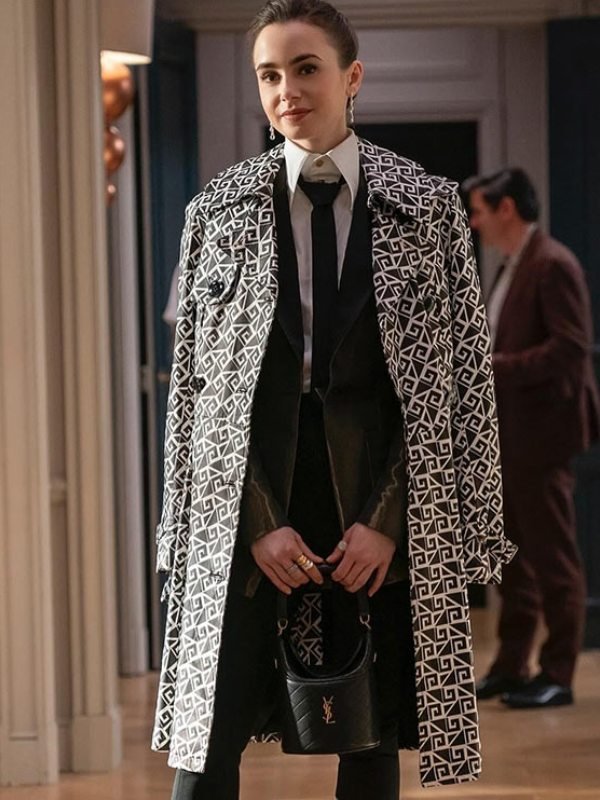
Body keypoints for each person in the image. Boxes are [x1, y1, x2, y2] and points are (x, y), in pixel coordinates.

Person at [151, 2, 516, 797]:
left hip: (375, 503)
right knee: (205, 741)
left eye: (306, 68)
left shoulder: (428, 208)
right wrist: (255, 522)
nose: (287, 90)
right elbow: (197, 396)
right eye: (269, 75)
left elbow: (457, 387)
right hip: (246, 505)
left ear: (352, 77)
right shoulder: (216, 212)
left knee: (368, 737)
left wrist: (387, 522)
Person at [463, 168, 600, 709]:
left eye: (478, 211)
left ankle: (558, 674)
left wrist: (493, 367)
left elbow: (570, 349)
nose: (473, 223)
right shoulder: (514, 263)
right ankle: (511, 665)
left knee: (554, 560)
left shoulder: (552, 263)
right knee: (512, 560)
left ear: (507, 208)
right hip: (512, 438)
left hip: (542, 438)